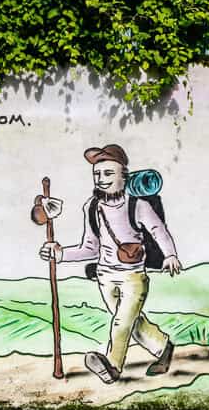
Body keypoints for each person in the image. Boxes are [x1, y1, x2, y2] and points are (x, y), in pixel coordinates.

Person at [40, 144, 182, 385]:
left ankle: (113, 366)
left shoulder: (138, 206)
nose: (101, 179)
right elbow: (90, 247)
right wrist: (60, 254)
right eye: (97, 174)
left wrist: (170, 254)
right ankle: (164, 347)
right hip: (105, 277)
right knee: (134, 323)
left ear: (123, 176)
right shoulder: (92, 208)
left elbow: (158, 230)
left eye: (108, 173)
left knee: (121, 322)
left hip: (133, 276)